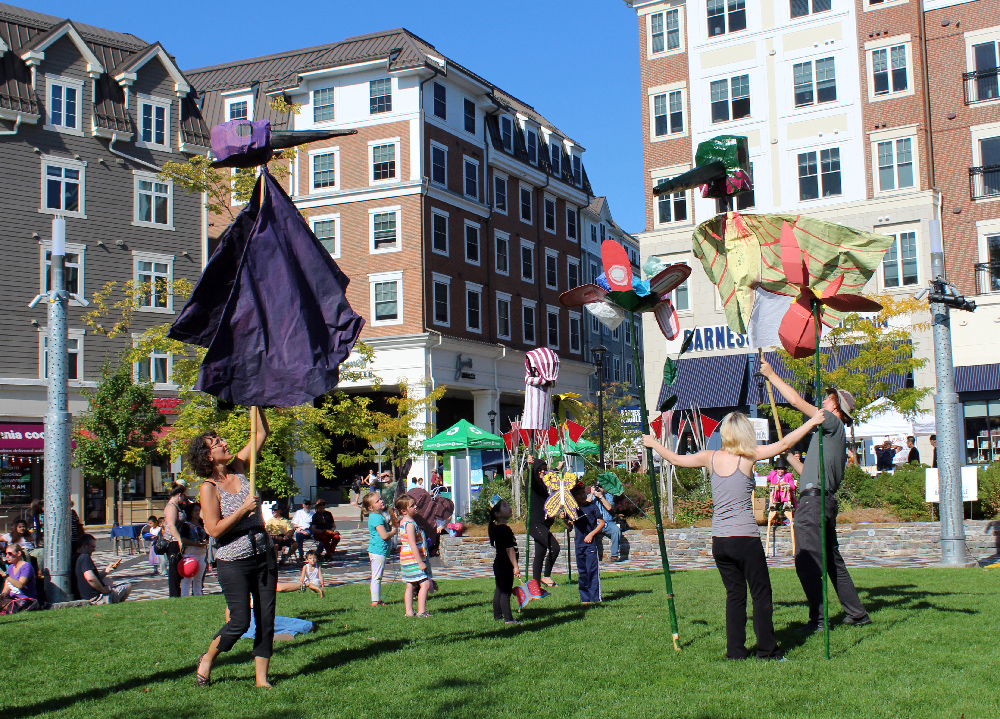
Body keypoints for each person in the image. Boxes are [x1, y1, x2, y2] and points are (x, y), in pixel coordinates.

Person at [644, 409, 825, 659]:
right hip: (745, 539)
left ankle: (736, 652)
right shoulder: (749, 457)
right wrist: (813, 422)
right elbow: (784, 443)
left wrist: (653, 444)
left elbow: (675, 459)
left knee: (735, 595)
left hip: (720, 541)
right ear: (746, 433)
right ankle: (768, 651)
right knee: (761, 594)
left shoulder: (710, 456)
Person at [760, 361, 872, 630]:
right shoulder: (829, 437)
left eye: (826, 399)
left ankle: (819, 620)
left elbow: (797, 401)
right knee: (833, 562)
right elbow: (805, 474)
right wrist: (787, 455)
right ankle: (857, 613)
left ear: (835, 408)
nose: (822, 401)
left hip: (814, 503)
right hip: (820, 500)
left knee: (806, 561)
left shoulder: (831, 423)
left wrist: (771, 375)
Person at [189, 410, 276, 689]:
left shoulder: (239, 466)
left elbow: (261, 433)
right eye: (217, 443)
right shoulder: (208, 487)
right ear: (207, 456)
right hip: (233, 561)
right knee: (240, 621)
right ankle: (208, 658)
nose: (224, 443)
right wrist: (243, 509)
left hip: (263, 554)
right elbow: (214, 529)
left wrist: (257, 403)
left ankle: (261, 679)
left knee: (266, 619)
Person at [525, 457, 560, 588]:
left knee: (540, 553)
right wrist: (529, 466)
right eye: (539, 470)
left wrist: (557, 469)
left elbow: (549, 477)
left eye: (544, 470)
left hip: (543, 523)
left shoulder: (542, 486)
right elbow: (531, 478)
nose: (542, 472)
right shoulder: (532, 485)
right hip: (535, 523)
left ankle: (535, 584)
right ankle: (546, 576)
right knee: (555, 547)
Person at [395, 494, 432, 617]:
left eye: (415, 504)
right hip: (412, 558)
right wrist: (420, 562)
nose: (415, 507)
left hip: (406, 558)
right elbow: (412, 544)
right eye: (412, 506)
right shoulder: (410, 524)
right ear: (403, 511)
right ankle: (421, 611)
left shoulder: (403, 522)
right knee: (425, 584)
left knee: (410, 584)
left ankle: (409, 612)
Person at [568, 483, 604, 604]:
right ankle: (585, 598)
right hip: (579, 544)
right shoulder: (573, 510)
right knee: (582, 571)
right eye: (579, 494)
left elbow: (601, 523)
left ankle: (595, 598)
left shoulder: (592, 507)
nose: (583, 496)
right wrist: (564, 519)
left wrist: (591, 534)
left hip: (590, 544)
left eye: (583, 493)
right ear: (574, 496)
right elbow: (568, 527)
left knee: (591, 570)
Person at [487, 495, 520, 624]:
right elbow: (509, 549)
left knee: (499, 590)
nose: (509, 508)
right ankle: (509, 619)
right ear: (497, 514)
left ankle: (498, 616)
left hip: (498, 564)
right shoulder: (504, 530)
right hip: (505, 564)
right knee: (505, 592)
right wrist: (515, 566)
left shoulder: (497, 529)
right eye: (505, 506)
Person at [74, 534, 132, 604]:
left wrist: (106, 571)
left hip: (83, 594)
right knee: (127, 586)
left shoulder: (75, 557)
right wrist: (104, 590)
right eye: (92, 547)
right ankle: (112, 601)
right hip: (95, 597)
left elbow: (94, 578)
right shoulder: (84, 557)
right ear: (84, 546)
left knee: (107, 580)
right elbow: (90, 578)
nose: (94, 549)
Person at [363, 491, 396, 606]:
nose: (381, 501)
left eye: (380, 499)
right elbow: (384, 535)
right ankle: (375, 601)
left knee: (377, 576)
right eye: (377, 501)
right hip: (378, 550)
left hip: (379, 550)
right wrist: (393, 532)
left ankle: (377, 599)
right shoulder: (376, 517)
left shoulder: (377, 516)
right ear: (370, 508)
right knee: (377, 577)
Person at [162, 482, 189, 598]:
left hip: (177, 540)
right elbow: (171, 525)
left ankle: (178, 594)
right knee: (174, 570)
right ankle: (174, 595)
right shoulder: (171, 506)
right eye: (183, 496)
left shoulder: (177, 506)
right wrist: (179, 540)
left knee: (178, 569)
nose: (183, 499)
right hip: (173, 541)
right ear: (179, 495)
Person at [181, 503, 210, 597]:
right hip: (190, 554)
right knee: (187, 578)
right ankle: (185, 596)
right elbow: (183, 539)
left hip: (202, 553)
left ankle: (198, 594)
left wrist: (205, 542)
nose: (198, 513)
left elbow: (207, 535)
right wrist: (195, 544)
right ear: (191, 512)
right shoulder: (186, 525)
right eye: (196, 511)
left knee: (199, 578)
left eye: (199, 510)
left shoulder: (202, 523)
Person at [0, 543, 38, 613]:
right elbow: (6, 588)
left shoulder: (26, 566)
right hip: (13, 599)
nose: (7, 556)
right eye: (6, 554)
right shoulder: (10, 567)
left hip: (25, 599)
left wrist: (5, 575)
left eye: (10, 553)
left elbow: (20, 585)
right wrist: (3, 595)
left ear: (18, 553)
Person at [588, 483, 621, 561]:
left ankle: (614, 555)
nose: (599, 489)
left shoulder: (608, 496)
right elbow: (586, 505)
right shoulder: (590, 496)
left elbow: (609, 507)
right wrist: (592, 494)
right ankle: (592, 555)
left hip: (608, 521)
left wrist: (601, 497)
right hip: (595, 522)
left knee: (616, 531)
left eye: (601, 487)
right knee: (590, 533)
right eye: (597, 487)